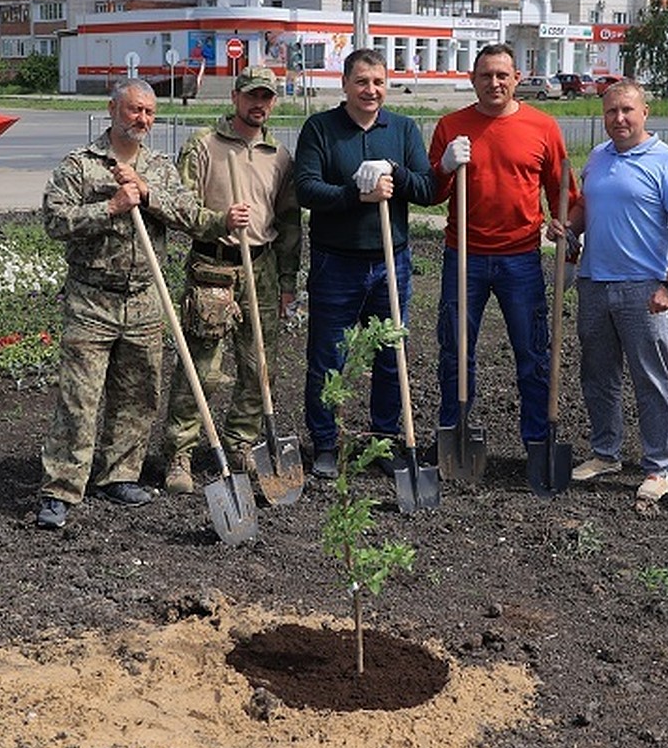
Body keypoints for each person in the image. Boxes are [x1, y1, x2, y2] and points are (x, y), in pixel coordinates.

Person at [35, 78, 249, 529]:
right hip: (92, 299)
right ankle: (61, 488)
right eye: (134, 110)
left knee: (138, 394)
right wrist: (110, 206)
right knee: (79, 398)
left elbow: (190, 217)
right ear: (113, 109)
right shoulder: (80, 165)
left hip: (145, 298)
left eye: (149, 112)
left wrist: (150, 196)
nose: (143, 120)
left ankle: (119, 476)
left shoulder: (160, 168)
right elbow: (55, 221)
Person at [428, 43, 579, 456]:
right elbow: (433, 192)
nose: (494, 83)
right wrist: (443, 165)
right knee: (456, 350)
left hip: (521, 259)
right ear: (472, 79)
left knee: (532, 351)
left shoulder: (543, 127)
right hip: (464, 256)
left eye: (502, 75)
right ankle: (452, 431)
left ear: (517, 78)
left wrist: (566, 227)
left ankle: (536, 439)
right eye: (485, 75)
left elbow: (565, 193)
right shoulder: (451, 126)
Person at [293, 48, 436, 478]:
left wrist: (393, 172)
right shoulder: (321, 129)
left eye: (377, 82)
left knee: (392, 356)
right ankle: (324, 443)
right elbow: (306, 190)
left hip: (392, 262)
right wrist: (356, 193)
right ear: (345, 84)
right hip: (335, 263)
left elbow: (427, 190)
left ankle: (385, 440)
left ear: (386, 85)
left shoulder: (404, 129)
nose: (370, 91)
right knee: (327, 357)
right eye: (361, 82)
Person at [160, 66, 301, 494]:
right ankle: (180, 452)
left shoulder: (279, 156)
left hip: (262, 266)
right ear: (236, 97)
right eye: (252, 96)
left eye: (267, 97)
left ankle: (242, 441)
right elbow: (177, 208)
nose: (259, 104)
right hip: (214, 265)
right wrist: (217, 221)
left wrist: (289, 278)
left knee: (259, 366)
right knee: (199, 366)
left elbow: (290, 221)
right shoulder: (204, 146)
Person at [567, 80, 668, 501]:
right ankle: (606, 452)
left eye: (627, 110)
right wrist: (568, 229)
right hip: (594, 283)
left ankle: (658, 464)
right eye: (610, 112)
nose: (618, 119)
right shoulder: (598, 158)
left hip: (645, 290)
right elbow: (587, 211)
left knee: (651, 378)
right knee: (598, 376)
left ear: (645, 112)